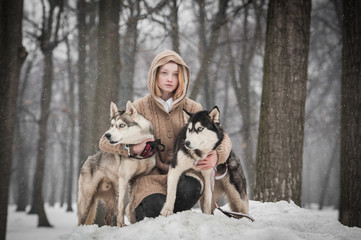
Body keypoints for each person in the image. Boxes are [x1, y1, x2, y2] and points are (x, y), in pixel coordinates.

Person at [99, 50, 232, 221]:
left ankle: (174, 222)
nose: (170, 79)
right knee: (154, 206)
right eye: (164, 73)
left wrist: (217, 155)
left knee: (190, 188)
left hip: (185, 174)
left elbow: (223, 136)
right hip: (150, 179)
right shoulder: (139, 107)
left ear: (182, 78)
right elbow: (104, 141)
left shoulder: (192, 107)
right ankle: (146, 212)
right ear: (154, 75)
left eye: (175, 74)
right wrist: (130, 149)